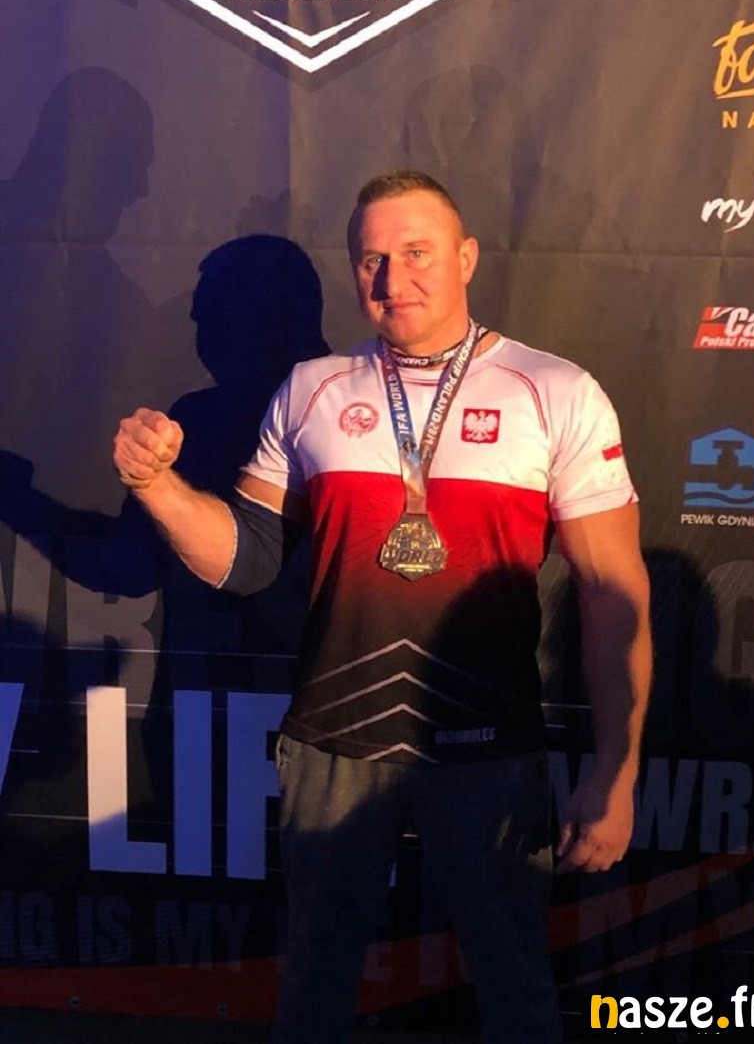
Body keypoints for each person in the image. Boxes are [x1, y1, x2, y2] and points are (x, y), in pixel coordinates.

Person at [113, 170, 652, 1043]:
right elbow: (246, 562)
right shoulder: (313, 389)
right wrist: (157, 486)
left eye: (417, 253)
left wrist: (615, 774)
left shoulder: (554, 391)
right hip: (335, 746)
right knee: (314, 993)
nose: (394, 279)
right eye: (372, 260)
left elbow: (613, 595)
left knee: (516, 991)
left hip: (489, 747)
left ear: (466, 258)